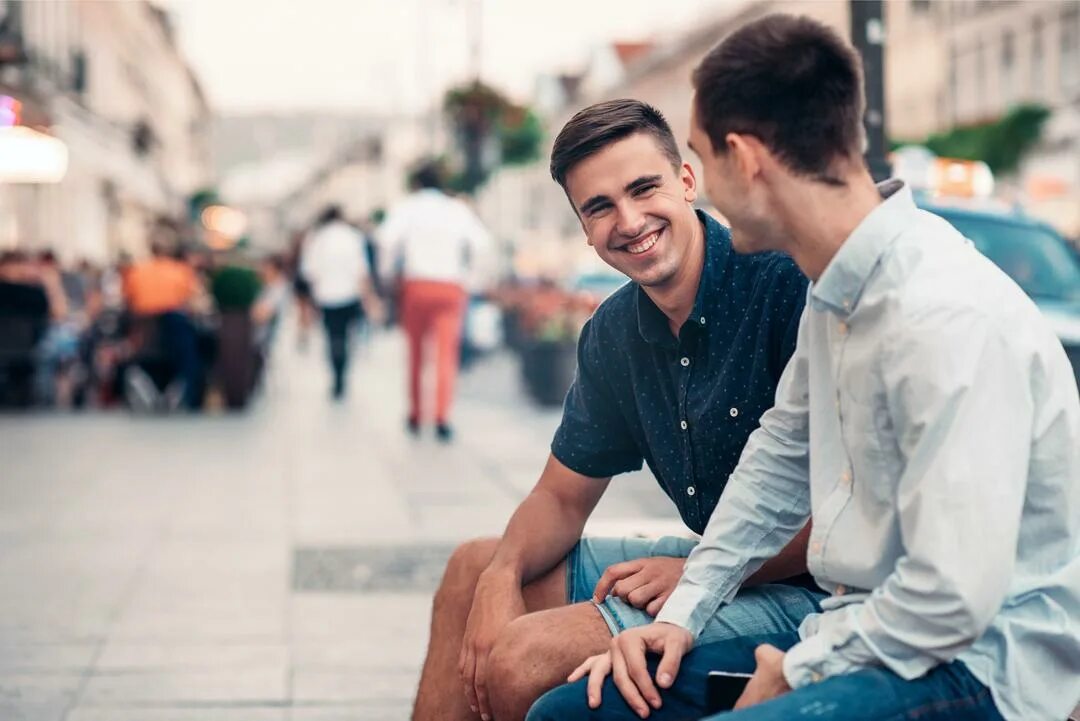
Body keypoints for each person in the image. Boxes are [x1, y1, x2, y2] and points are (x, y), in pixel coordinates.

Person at [529, 14, 1080, 721]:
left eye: (700, 159)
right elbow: (778, 461)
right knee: (572, 712)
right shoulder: (837, 287)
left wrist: (798, 668)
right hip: (869, 630)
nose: (699, 193)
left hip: (983, 666)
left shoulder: (939, 313)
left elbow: (953, 598)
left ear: (746, 159)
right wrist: (682, 616)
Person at [411, 100, 813, 721]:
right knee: (474, 570)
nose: (628, 221)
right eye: (599, 207)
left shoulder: (784, 286)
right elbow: (562, 498)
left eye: (643, 188)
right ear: (583, 226)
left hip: (817, 590)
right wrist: (499, 579)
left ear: (685, 180)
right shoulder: (615, 331)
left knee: (521, 656)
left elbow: (857, 514)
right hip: (715, 563)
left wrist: (701, 573)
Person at [377, 161, 494, 442]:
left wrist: (388, 274)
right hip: (450, 286)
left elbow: (385, 240)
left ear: (415, 183)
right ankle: (442, 416)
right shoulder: (456, 209)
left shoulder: (406, 207)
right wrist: (471, 280)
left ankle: (416, 414)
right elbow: (482, 244)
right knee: (446, 354)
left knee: (416, 353)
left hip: (416, 285)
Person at [300, 205, 378, 400]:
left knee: (332, 336)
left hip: (326, 296)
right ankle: (342, 373)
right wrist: (368, 298)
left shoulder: (317, 238)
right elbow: (362, 271)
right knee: (345, 335)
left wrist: (309, 302)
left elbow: (309, 272)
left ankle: (337, 375)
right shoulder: (353, 236)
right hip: (349, 294)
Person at [122, 228, 204, 410]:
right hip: (173, 331)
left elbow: (128, 300)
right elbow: (193, 303)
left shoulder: (135, 271)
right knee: (196, 350)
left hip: (143, 334)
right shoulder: (181, 271)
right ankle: (188, 395)